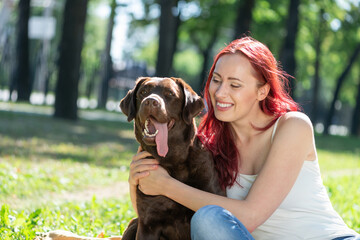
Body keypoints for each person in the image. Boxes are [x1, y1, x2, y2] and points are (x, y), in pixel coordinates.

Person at [128, 37, 359, 240]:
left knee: (207, 218)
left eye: (234, 85)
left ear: (262, 91)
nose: (220, 93)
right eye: (216, 80)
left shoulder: (292, 127)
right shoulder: (212, 147)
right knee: (208, 221)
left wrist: (166, 185)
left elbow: (249, 217)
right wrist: (138, 179)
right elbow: (157, 215)